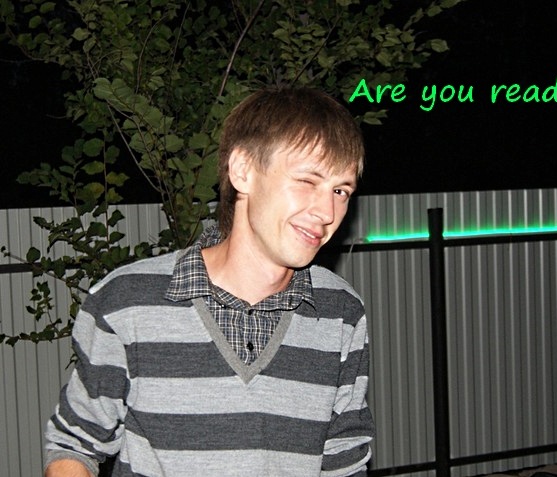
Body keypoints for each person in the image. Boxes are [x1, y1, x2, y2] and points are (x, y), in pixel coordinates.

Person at [44, 87, 375, 476]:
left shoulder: (341, 313)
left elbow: (344, 461)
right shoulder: (128, 302)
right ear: (243, 171)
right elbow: (73, 446)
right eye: (307, 181)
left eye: (340, 190)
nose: (327, 211)